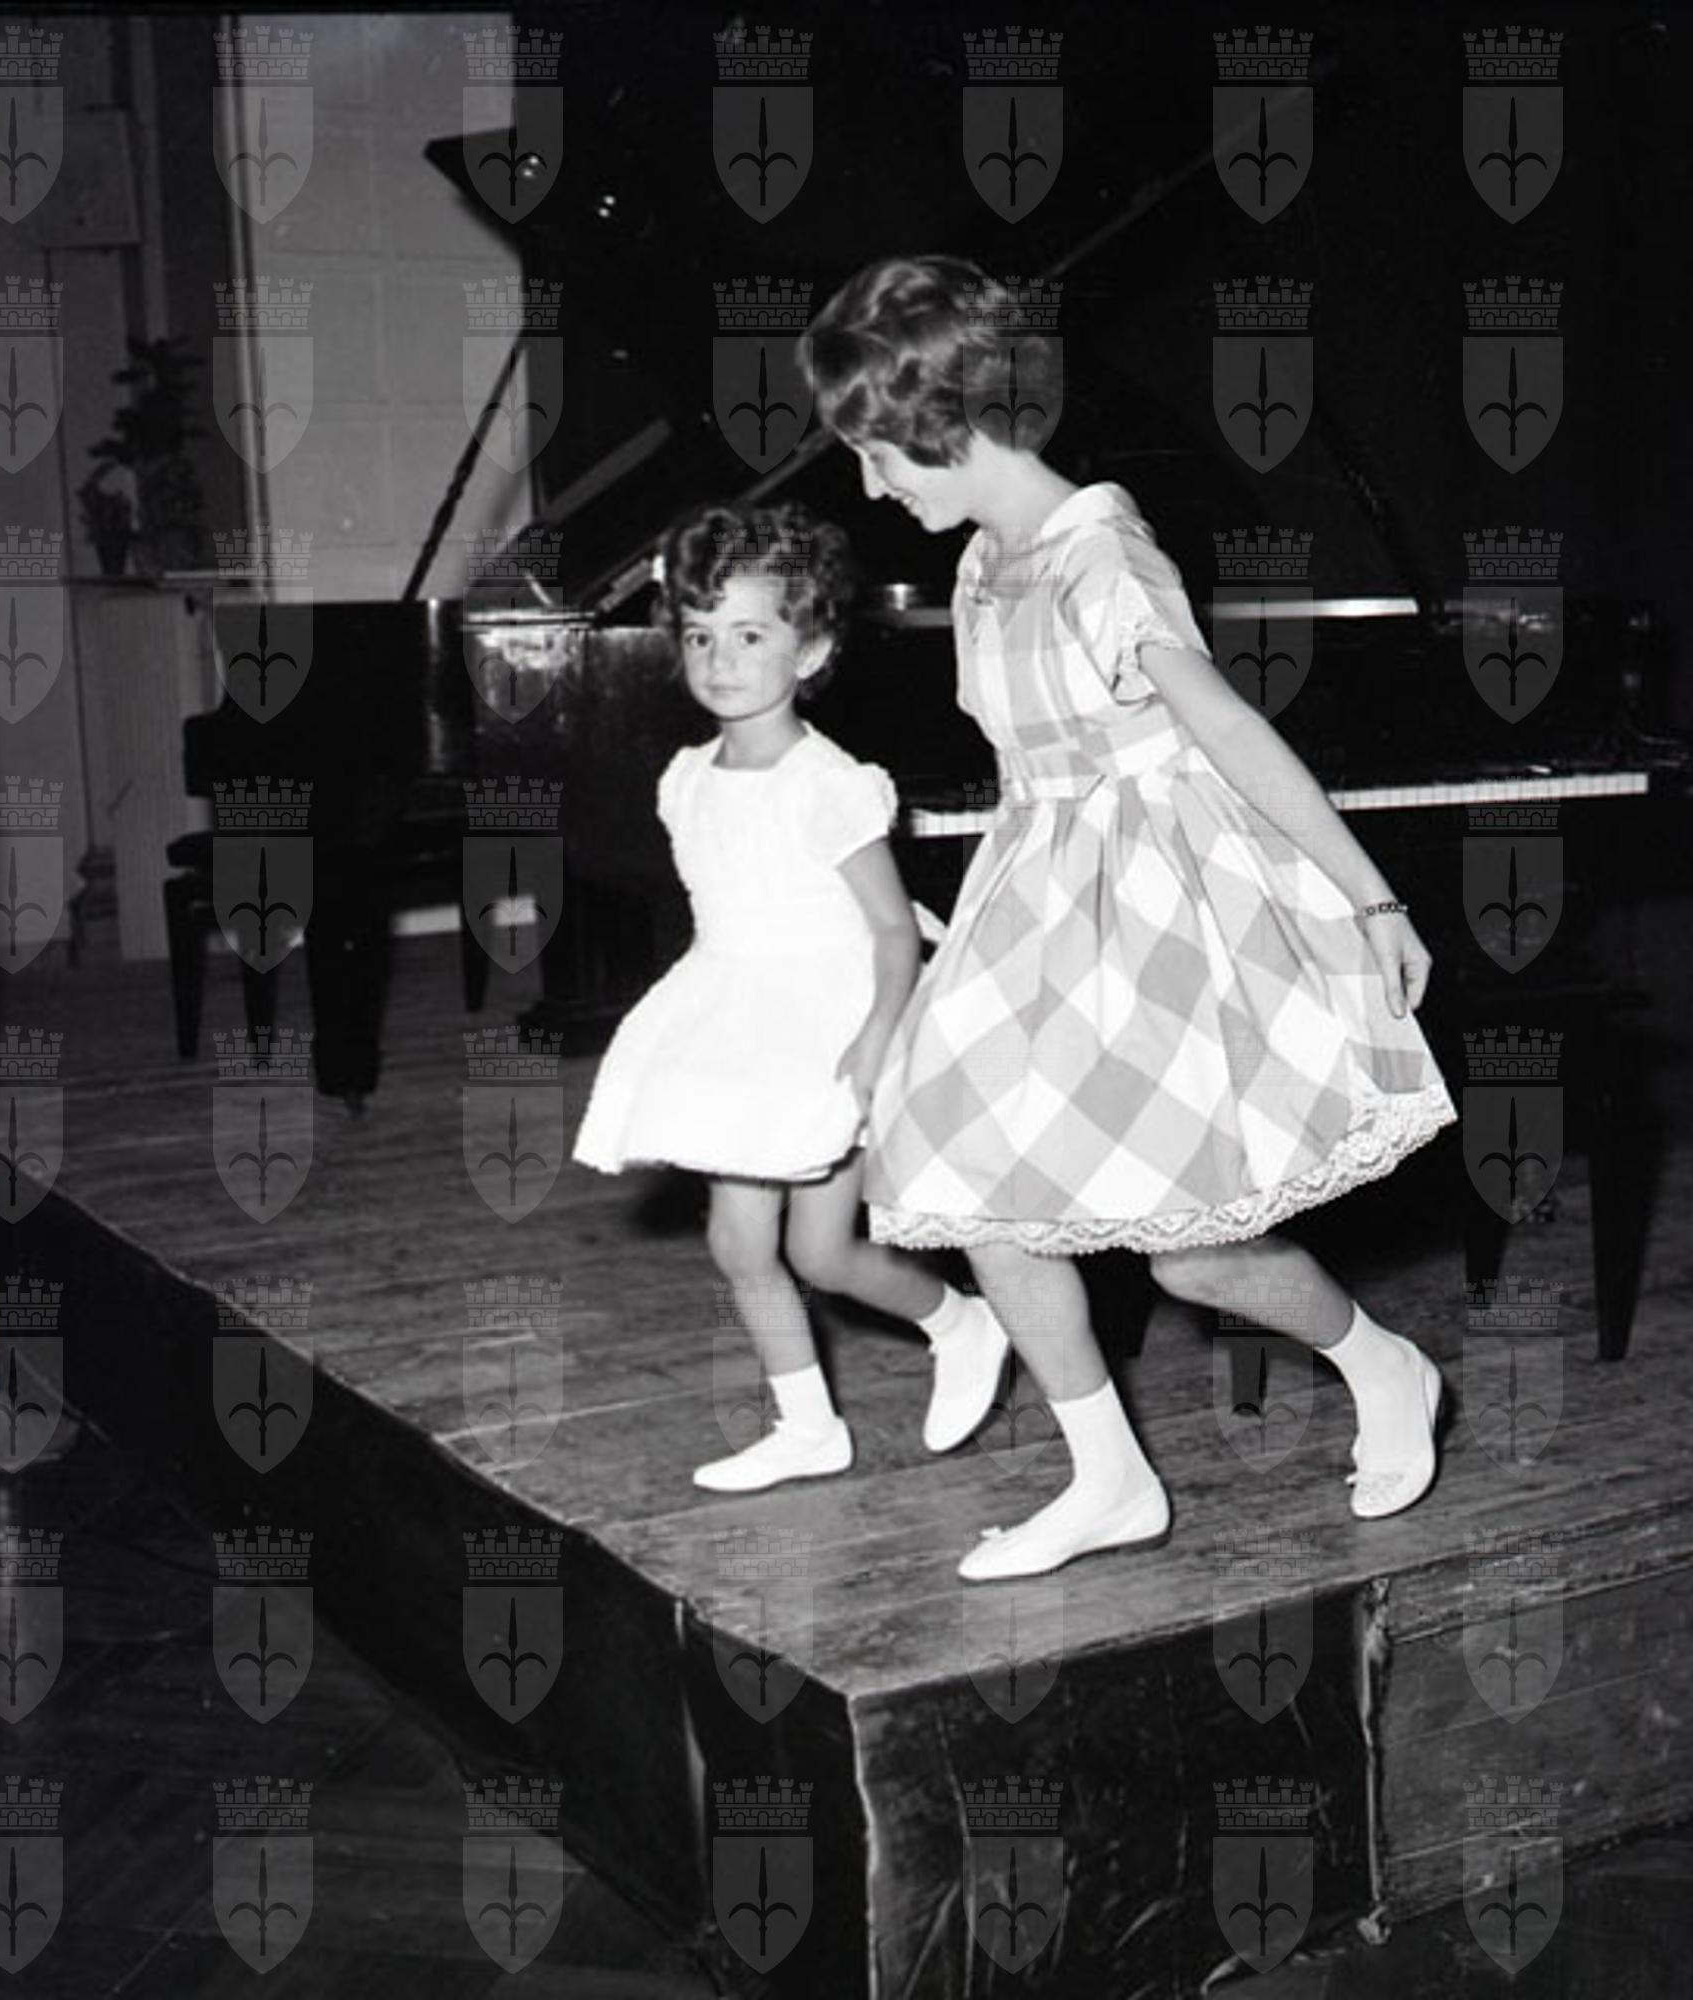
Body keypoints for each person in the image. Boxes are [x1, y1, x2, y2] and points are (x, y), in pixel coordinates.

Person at [799, 257, 1460, 1581]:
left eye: (879, 454)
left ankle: (1384, 1364)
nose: (871, 488)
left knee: (1196, 1262)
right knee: (972, 1185)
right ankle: (1108, 1477)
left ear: (953, 422)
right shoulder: (981, 561)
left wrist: (1370, 894)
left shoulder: (1102, 551)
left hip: (1158, 910)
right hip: (1035, 900)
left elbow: (1226, 727)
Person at [571, 502, 1010, 1491]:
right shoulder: (686, 777)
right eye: (699, 636)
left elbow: (892, 929)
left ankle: (960, 1320)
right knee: (737, 1241)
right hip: (739, 1017)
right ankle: (808, 1425)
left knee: (822, 1253)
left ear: (807, 651)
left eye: (749, 635)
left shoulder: (827, 783)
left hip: (830, 1018)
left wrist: (875, 1038)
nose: (719, 659)